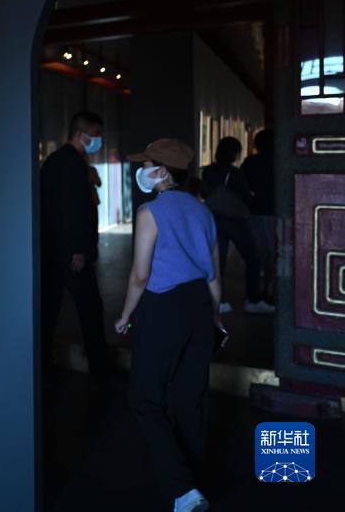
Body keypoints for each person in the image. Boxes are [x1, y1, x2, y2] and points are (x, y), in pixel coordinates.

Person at [115, 138, 228, 512]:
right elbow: (214, 274)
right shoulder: (202, 210)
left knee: (145, 399)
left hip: (162, 308)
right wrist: (214, 319)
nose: (142, 170)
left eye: (146, 164)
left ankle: (183, 490)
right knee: (191, 400)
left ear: (162, 172)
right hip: (199, 307)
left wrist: (125, 315)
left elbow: (140, 275)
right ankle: (194, 483)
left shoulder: (150, 212)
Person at [40, 110, 109, 380]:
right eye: (96, 134)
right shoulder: (72, 164)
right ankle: (99, 368)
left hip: (53, 250)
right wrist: (77, 250)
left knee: (50, 307)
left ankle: (43, 362)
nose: (99, 140)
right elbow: (70, 210)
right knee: (90, 308)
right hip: (70, 252)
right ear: (80, 134)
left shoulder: (56, 161)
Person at [202, 137, 273, 314]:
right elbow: (246, 197)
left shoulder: (208, 171)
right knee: (253, 258)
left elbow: (204, 193)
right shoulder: (235, 173)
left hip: (214, 217)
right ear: (234, 153)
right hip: (234, 220)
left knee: (219, 262)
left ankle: (219, 301)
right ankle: (253, 299)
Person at [240, 129, 276, 301]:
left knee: (259, 253)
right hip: (277, 209)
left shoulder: (251, 161)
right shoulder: (280, 160)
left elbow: (243, 185)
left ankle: (260, 290)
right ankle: (269, 289)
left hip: (256, 210)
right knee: (273, 252)